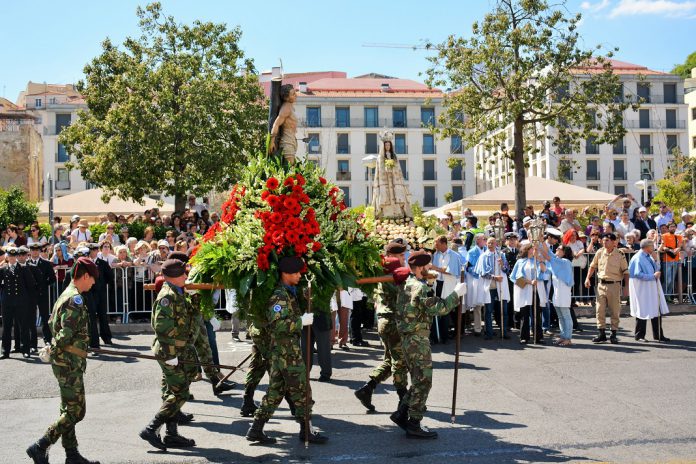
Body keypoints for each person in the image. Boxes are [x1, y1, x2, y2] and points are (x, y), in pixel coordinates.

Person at [245, 256, 328, 444]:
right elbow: (278, 325)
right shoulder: (279, 296)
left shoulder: (289, 293)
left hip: (285, 351)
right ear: (285, 274)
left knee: (275, 391)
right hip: (286, 353)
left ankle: (256, 429)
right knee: (302, 390)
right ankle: (306, 431)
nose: (300, 275)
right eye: (296, 272)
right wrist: (301, 321)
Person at [26, 258, 99, 464]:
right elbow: (65, 333)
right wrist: (54, 349)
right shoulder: (74, 299)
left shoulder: (67, 295)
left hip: (67, 360)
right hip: (68, 362)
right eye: (92, 279)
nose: (93, 283)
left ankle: (72, 454)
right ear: (85, 276)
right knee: (76, 410)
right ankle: (40, 445)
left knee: (69, 409)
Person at [390, 251, 466, 439]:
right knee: (424, 381)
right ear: (422, 268)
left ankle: (401, 414)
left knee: (418, 380)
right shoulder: (420, 288)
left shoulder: (405, 284)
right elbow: (439, 308)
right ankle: (414, 422)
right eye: (428, 266)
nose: (429, 269)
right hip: (417, 340)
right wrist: (456, 294)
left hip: (407, 338)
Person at [140, 259, 198, 451]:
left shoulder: (178, 292)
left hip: (180, 349)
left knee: (178, 389)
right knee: (180, 392)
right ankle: (151, 428)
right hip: (169, 351)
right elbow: (162, 328)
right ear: (173, 277)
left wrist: (195, 298)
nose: (186, 276)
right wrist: (171, 355)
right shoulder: (167, 296)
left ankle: (171, 435)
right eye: (183, 274)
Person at [355, 242, 410, 412]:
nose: (404, 259)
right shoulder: (391, 273)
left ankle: (367, 389)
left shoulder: (385, 271)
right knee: (400, 362)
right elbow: (403, 295)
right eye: (401, 256)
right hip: (393, 321)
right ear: (394, 256)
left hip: (385, 321)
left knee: (390, 360)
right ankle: (404, 401)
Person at [585, 233, 629, 344]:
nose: (605, 242)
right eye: (603, 240)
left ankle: (613, 334)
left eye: (608, 240)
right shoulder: (600, 252)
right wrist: (587, 278)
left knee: (614, 310)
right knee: (599, 310)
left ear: (614, 242)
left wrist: (626, 287)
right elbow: (593, 266)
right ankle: (601, 333)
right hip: (601, 284)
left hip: (614, 285)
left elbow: (625, 272)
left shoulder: (620, 254)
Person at [629, 239, 671, 342]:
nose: (654, 247)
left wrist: (656, 260)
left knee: (656, 308)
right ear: (647, 247)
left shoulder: (648, 256)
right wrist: (652, 276)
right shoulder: (638, 257)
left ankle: (658, 335)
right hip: (642, 288)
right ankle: (639, 336)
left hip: (651, 286)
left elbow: (656, 269)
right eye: (652, 245)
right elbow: (637, 274)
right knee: (642, 310)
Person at [1, 247, 37, 359]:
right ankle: (5, 351)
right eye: (10, 256)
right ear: (7, 257)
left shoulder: (23, 269)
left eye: (14, 256)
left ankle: (25, 349)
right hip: (7, 302)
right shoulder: (3, 269)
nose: (12, 258)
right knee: (6, 327)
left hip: (21, 302)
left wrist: (29, 300)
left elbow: (31, 285)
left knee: (23, 326)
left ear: (17, 257)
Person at [509, 243, 547, 344]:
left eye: (535, 249)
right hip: (525, 290)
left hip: (536, 290)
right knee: (524, 314)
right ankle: (524, 336)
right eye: (532, 249)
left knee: (536, 313)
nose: (534, 250)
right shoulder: (520, 261)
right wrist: (529, 282)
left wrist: (539, 259)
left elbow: (544, 271)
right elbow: (514, 277)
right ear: (527, 250)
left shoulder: (538, 260)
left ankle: (538, 336)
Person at [474, 237, 510, 339]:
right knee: (488, 311)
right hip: (490, 287)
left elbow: (507, 270)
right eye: (489, 243)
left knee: (504, 310)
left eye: (492, 243)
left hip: (501, 287)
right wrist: (494, 277)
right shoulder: (483, 257)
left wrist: (502, 264)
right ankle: (489, 333)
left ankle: (504, 332)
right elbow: (482, 273)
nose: (490, 245)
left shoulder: (501, 255)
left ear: (496, 244)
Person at [430, 235, 463, 343]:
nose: (436, 246)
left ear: (444, 244)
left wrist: (435, 268)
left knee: (445, 311)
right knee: (435, 309)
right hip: (437, 284)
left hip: (447, 285)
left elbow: (450, 271)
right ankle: (435, 335)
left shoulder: (453, 255)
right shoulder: (436, 254)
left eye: (437, 244)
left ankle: (444, 336)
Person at [371, 135, 413, 218]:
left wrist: (392, 168)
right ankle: (386, 215)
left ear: (391, 146)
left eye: (389, 145)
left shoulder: (394, 156)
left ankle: (398, 214)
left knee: (397, 195)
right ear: (383, 146)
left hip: (394, 180)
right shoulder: (380, 158)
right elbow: (378, 171)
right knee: (385, 197)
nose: (387, 147)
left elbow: (398, 169)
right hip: (385, 180)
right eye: (386, 145)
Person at [28, 243, 57, 350]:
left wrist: (44, 285)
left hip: (42, 294)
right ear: (30, 251)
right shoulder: (26, 263)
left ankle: (47, 340)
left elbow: (52, 278)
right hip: (30, 295)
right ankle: (32, 343)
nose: (35, 251)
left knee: (45, 317)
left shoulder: (46, 263)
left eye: (37, 249)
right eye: (33, 249)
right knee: (31, 318)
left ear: (40, 251)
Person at [548, 245, 574, 346]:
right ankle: (563, 336)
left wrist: (541, 244)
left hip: (564, 293)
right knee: (560, 316)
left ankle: (568, 338)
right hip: (557, 293)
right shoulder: (557, 262)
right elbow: (549, 258)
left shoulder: (565, 262)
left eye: (558, 249)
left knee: (566, 316)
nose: (556, 250)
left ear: (564, 252)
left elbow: (549, 256)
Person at [268, 84, 299, 164]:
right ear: (286, 98)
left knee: (292, 170)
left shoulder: (290, 106)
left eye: (295, 92)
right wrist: (272, 141)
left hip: (292, 140)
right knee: (290, 171)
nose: (296, 95)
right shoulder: (286, 107)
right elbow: (276, 124)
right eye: (293, 94)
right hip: (287, 141)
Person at [659, 222, 682, 300]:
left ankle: (667, 297)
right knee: (667, 280)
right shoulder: (664, 236)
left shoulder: (678, 236)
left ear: (676, 228)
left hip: (675, 260)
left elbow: (679, 246)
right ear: (668, 228)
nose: (673, 228)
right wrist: (671, 250)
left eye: (674, 227)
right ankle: (662, 296)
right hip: (667, 260)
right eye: (671, 227)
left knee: (672, 281)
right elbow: (663, 247)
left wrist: (677, 249)